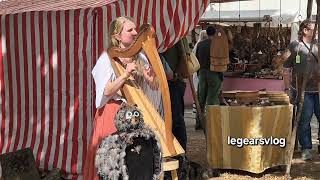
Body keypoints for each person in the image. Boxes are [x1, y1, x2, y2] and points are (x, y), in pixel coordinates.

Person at [83, 16, 160, 180]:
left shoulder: (140, 58)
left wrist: (151, 79)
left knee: (133, 160)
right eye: (130, 30)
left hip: (133, 115)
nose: (135, 32)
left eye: (135, 29)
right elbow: (106, 91)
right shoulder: (106, 59)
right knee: (113, 164)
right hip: (112, 114)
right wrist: (125, 74)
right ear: (117, 36)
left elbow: (154, 86)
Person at [283, 19, 320, 161]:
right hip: (303, 91)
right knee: (304, 121)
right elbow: (286, 69)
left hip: (318, 89)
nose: (316, 31)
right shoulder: (295, 46)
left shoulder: (318, 45)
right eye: (313, 29)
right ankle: (306, 148)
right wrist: (287, 88)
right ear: (305, 30)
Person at [195, 26, 223, 126]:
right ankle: (212, 123)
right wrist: (221, 76)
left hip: (202, 73)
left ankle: (199, 122)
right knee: (212, 98)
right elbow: (221, 62)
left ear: (206, 33)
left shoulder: (200, 45)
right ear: (215, 33)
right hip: (214, 73)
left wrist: (199, 73)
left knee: (201, 98)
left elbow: (196, 60)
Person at [192, 30, 208, 130]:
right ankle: (201, 119)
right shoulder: (202, 45)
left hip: (197, 73)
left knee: (199, 95)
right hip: (200, 73)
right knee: (201, 95)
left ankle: (199, 118)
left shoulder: (197, 46)